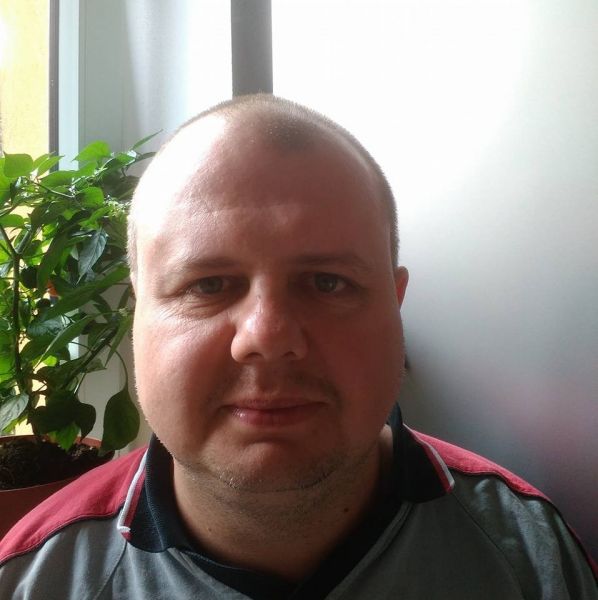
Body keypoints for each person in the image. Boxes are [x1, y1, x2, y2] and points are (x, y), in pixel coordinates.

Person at [0, 94, 595, 599]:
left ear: (395, 304)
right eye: (208, 285)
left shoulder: (530, 558)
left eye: (328, 283)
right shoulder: (36, 580)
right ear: (139, 311)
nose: (267, 337)